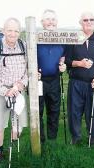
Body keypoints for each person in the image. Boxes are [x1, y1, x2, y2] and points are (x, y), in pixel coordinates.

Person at [0, 18, 28, 163]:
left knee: (18, 124)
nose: (13, 33)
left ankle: (12, 148)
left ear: (19, 32)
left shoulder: (24, 45)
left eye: (16, 30)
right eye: (9, 30)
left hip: (18, 90)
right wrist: (5, 91)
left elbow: (28, 70)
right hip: (0, 91)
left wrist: (21, 85)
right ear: (3, 30)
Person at [65, 11, 94, 145]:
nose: (88, 22)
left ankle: (93, 136)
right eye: (85, 20)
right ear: (80, 23)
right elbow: (67, 60)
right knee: (74, 112)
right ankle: (75, 137)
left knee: (93, 111)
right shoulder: (73, 39)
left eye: (91, 20)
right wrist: (80, 63)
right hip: (76, 82)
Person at [37, 10, 66, 143]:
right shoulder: (35, 38)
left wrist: (63, 65)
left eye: (53, 19)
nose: (50, 22)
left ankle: (52, 139)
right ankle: (40, 139)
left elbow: (64, 58)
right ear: (42, 22)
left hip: (54, 80)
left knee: (54, 110)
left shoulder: (62, 39)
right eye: (47, 19)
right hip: (38, 81)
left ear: (57, 22)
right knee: (38, 111)